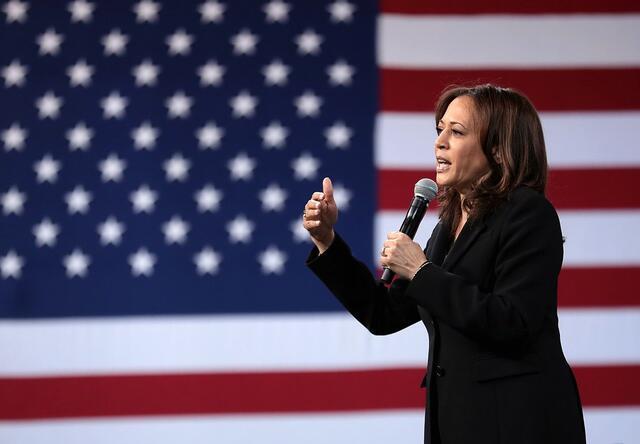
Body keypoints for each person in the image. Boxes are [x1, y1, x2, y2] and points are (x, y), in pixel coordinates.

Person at [302, 84, 586, 444]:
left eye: (457, 131)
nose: (439, 142)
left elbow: (513, 321)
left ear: (498, 149)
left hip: (516, 421)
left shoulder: (528, 214)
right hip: (457, 421)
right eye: (440, 130)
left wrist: (421, 272)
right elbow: (383, 313)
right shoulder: (448, 226)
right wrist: (327, 241)